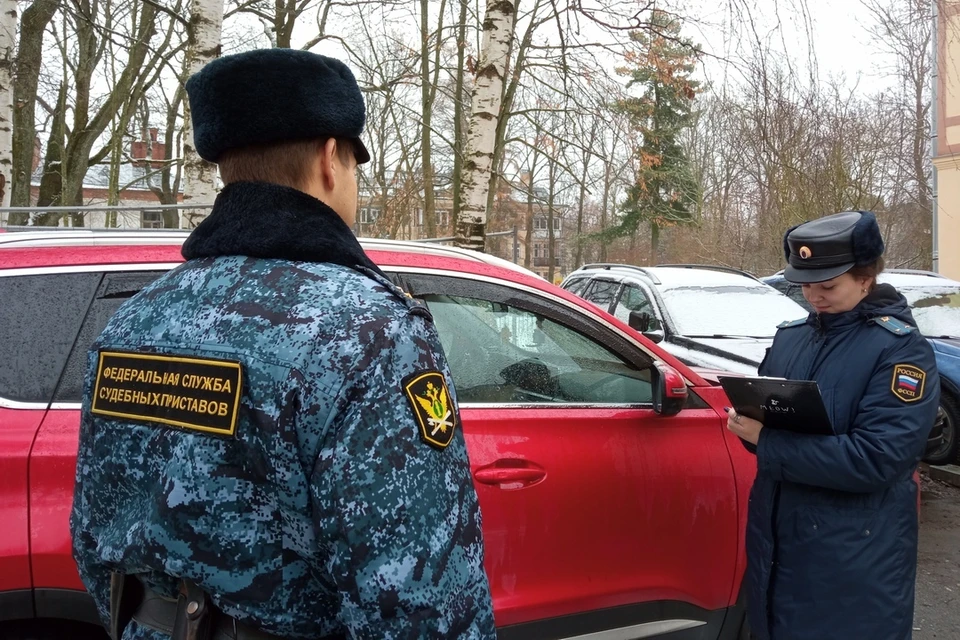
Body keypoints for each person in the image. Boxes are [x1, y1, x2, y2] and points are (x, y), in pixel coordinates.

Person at [70, 48, 496, 640]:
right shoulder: (368, 333)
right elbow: (421, 602)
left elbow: (94, 542)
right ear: (330, 158)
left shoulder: (136, 320)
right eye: (354, 163)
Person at [726, 210, 940, 640]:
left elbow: (877, 460)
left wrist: (767, 441)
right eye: (804, 285)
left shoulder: (900, 351)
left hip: (853, 554)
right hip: (778, 539)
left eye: (827, 286)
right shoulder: (791, 336)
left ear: (865, 278)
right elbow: (770, 422)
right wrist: (747, 420)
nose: (813, 296)